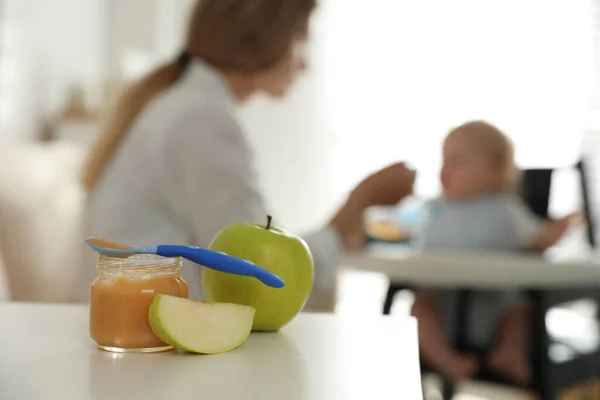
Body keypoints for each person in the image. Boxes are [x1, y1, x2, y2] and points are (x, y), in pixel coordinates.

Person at [75, 0, 416, 306]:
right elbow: (259, 278)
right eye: (300, 40)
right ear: (263, 37)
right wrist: (353, 209)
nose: (304, 65)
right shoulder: (200, 120)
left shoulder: (188, 107)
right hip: (149, 341)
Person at [412, 121, 575, 384]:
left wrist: (560, 227)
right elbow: (402, 232)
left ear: (496, 171)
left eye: (457, 161)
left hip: (494, 307)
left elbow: (539, 239)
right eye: (443, 160)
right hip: (443, 305)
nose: (444, 169)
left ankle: (510, 352)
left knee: (519, 312)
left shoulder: (506, 210)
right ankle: (449, 362)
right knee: (419, 308)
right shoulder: (433, 209)